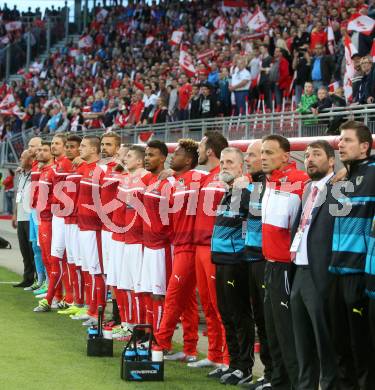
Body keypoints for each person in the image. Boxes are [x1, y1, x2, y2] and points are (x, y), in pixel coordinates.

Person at [329, 121, 375, 389]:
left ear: (365, 146)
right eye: (340, 140)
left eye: (346, 140)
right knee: (340, 345)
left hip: (359, 274)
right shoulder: (342, 177)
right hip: (336, 270)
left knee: (362, 349)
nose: (340, 144)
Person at [261, 134, 308, 389]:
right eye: (262, 153)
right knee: (273, 332)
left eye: (269, 153)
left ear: (286, 156)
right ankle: (278, 382)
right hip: (269, 264)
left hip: (286, 268)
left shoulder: (300, 182)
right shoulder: (270, 182)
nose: (263, 157)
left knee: (288, 335)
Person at [290, 140, 338, 390]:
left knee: (325, 344)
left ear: (331, 160)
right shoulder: (308, 188)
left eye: (316, 154)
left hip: (322, 276)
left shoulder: (341, 187)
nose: (309, 159)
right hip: (299, 271)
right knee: (303, 345)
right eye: (307, 155)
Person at [154, 139, 204, 362]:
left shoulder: (199, 178)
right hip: (180, 244)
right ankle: (190, 350)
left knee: (173, 297)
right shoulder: (175, 181)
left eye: (178, 154)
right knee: (187, 301)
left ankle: (161, 343)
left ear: (189, 160)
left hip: (191, 246)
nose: (173, 157)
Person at [211, 147, 253, 386]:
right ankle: (233, 363)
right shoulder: (228, 192)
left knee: (239, 316)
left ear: (241, 167)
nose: (224, 166)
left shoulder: (245, 190)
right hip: (221, 260)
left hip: (236, 262)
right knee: (227, 315)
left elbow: (252, 216)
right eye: (222, 162)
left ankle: (244, 367)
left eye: (229, 162)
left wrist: (243, 188)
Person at [191, 131, 229, 370]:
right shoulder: (206, 178)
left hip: (216, 249)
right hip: (200, 247)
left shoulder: (226, 178)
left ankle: (228, 358)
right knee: (207, 304)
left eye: (201, 145)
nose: (198, 150)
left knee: (220, 306)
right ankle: (214, 354)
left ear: (210, 151)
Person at [243, 140, 272, 390]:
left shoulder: (270, 186)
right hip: (250, 258)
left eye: (253, 154)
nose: (249, 159)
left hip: (267, 261)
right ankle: (267, 373)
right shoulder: (250, 186)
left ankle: (275, 375)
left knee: (268, 321)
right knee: (260, 322)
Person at [76, 136, 107, 326]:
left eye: (83, 146)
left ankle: (98, 312)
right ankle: (91, 309)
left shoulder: (100, 170)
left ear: (94, 150)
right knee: (88, 269)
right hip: (82, 225)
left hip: (94, 227)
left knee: (97, 271)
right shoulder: (85, 169)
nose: (80, 149)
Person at [12, 151, 35, 288]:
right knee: (24, 250)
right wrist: (14, 214)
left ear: (30, 159)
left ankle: (36, 279)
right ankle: (27, 277)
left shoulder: (34, 174)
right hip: (21, 216)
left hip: (30, 216)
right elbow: (18, 195)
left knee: (33, 250)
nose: (20, 158)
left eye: (22, 156)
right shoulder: (21, 175)